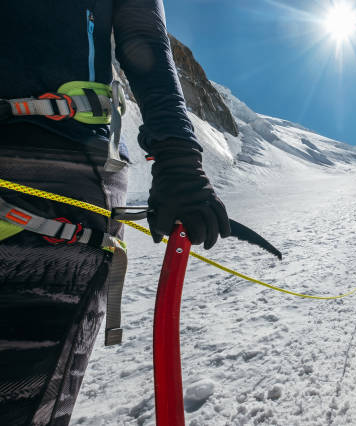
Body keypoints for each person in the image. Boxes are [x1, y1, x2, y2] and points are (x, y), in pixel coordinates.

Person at [0, 1, 230, 424]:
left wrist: (179, 156)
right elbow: (143, 35)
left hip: (51, 174)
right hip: (56, 174)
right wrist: (177, 158)